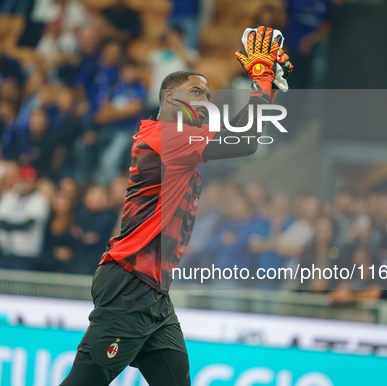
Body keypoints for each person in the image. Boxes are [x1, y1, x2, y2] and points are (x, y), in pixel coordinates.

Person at [60, 26, 292, 385]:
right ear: (169, 96)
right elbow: (245, 140)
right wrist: (262, 86)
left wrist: (268, 91)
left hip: (153, 291)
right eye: (195, 91)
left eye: (208, 93)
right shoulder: (166, 137)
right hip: (130, 284)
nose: (205, 98)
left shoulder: (177, 140)